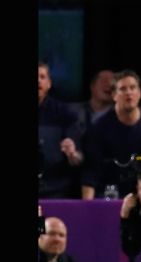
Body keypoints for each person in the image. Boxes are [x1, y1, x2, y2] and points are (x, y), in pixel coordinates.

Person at [82, 70, 141, 199]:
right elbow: (91, 172)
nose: (129, 93)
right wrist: (86, 209)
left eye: (133, 88)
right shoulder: (99, 127)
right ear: (114, 95)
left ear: (140, 93)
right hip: (108, 189)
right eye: (123, 89)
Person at [38, 61, 84, 199]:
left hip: (55, 191)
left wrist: (72, 154)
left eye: (42, 77)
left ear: (49, 83)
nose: (38, 81)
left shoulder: (65, 113)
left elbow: (78, 159)